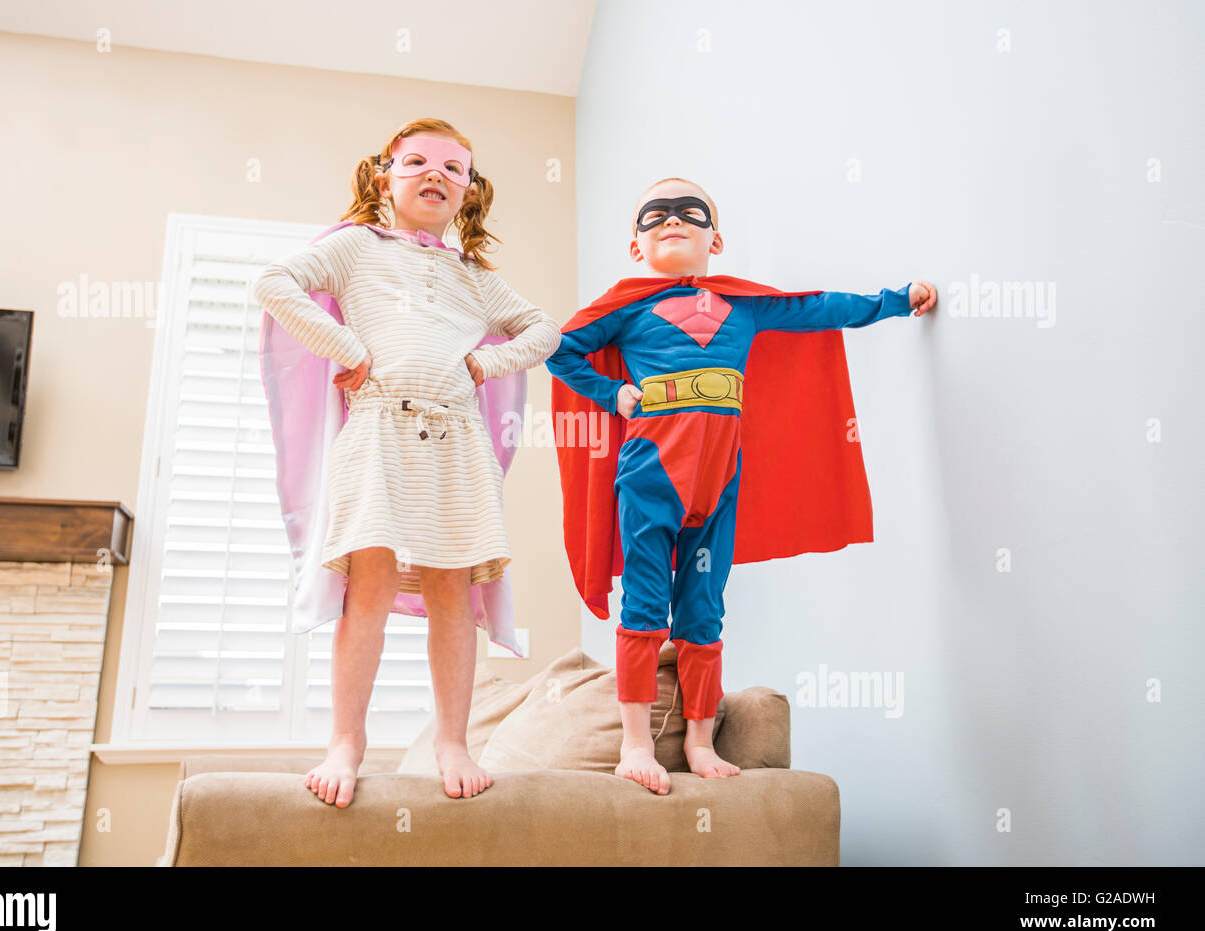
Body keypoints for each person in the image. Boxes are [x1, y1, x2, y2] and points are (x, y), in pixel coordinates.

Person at [547, 178, 936, 795]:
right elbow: (560, 350)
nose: (671, 220)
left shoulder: (745, 306)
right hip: (650, 471)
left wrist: (893, 300)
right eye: (655, 216)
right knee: (645, 606)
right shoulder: (623, 307)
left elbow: (820, 307)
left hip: (720, 475)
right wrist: (611, 393)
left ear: (715, 238)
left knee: (703, 607)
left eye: (688, 213)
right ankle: (635, 743)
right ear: (635, 246)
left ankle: (700, 742)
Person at [251, 118, 560, 807]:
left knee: (453, 589)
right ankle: (347, 742)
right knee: (372, 590)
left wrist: (485, 362)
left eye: (453, 168)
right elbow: (275, 284)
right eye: (416, 161)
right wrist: (350, 351)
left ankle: (454, 739)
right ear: (384, 176)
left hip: (456, 441)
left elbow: (545, 330)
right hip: (378, 433)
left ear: (468, 192)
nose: (434, 174)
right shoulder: (355, 248)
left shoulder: (475, 277)